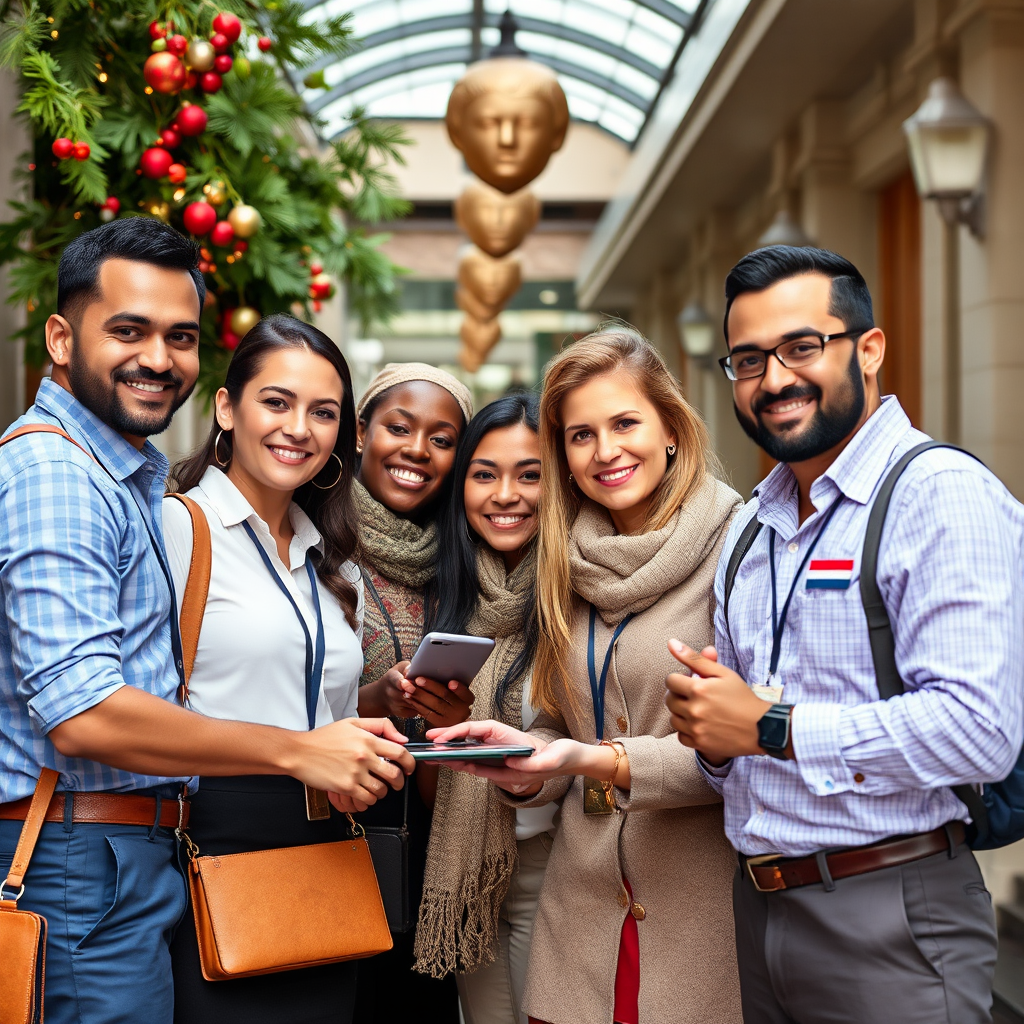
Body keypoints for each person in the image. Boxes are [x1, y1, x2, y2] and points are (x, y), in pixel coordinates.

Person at [0, 220, 413, 1024]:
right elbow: (81, 710)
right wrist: (297, 750)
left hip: (143, 853)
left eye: (179, 336)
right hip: (91, 856)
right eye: (128, 329)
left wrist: (368, 715)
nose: (157, 357)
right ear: (59, 336)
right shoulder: (60, 473)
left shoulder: (121, 478)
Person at [665, 245, 1024, 1024]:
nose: (775, 379)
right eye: (749, 359)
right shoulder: (750, 531)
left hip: (891, 911)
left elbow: (980, 732)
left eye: (802, 347)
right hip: (759, 910)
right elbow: (747, 761)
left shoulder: (938, 495)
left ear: (868, 350)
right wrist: (716, 737)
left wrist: (768, 726)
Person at [430, 327, 744, 1024]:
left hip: (702, 928)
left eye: (625, 422)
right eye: (580, 435)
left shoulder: (742, 546)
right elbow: (562, 724)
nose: (605, 451)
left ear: (672, 427)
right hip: (580, 925)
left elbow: (749, 744)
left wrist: (599, 760)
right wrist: (524, 765)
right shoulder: (566, 560)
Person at [162, 314, 386, 1021]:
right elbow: (125, 710)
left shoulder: (329, 557)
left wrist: (370, 750)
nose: (300, 428)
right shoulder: (176, 530)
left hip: (325, 853)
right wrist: (300, 754)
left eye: (323, 412)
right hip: (213, 848)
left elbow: (326, 715)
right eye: (276, 402)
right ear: (227, 409)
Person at [415, 393, 557, 1024]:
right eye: (484, 474)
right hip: (466, 871)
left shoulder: (577, 593)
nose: (506, 495)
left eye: (530, 475)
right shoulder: (444, 596)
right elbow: (429, 795)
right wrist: (444, 733)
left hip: (558, 867)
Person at [351, 363, 474, 1023]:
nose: (417, 451)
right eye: (399, 427)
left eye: (442, 438)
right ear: (362, 432)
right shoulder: (312, 538)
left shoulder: (465, 558)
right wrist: (377, 699)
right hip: (327, 840)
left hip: (428, 854)